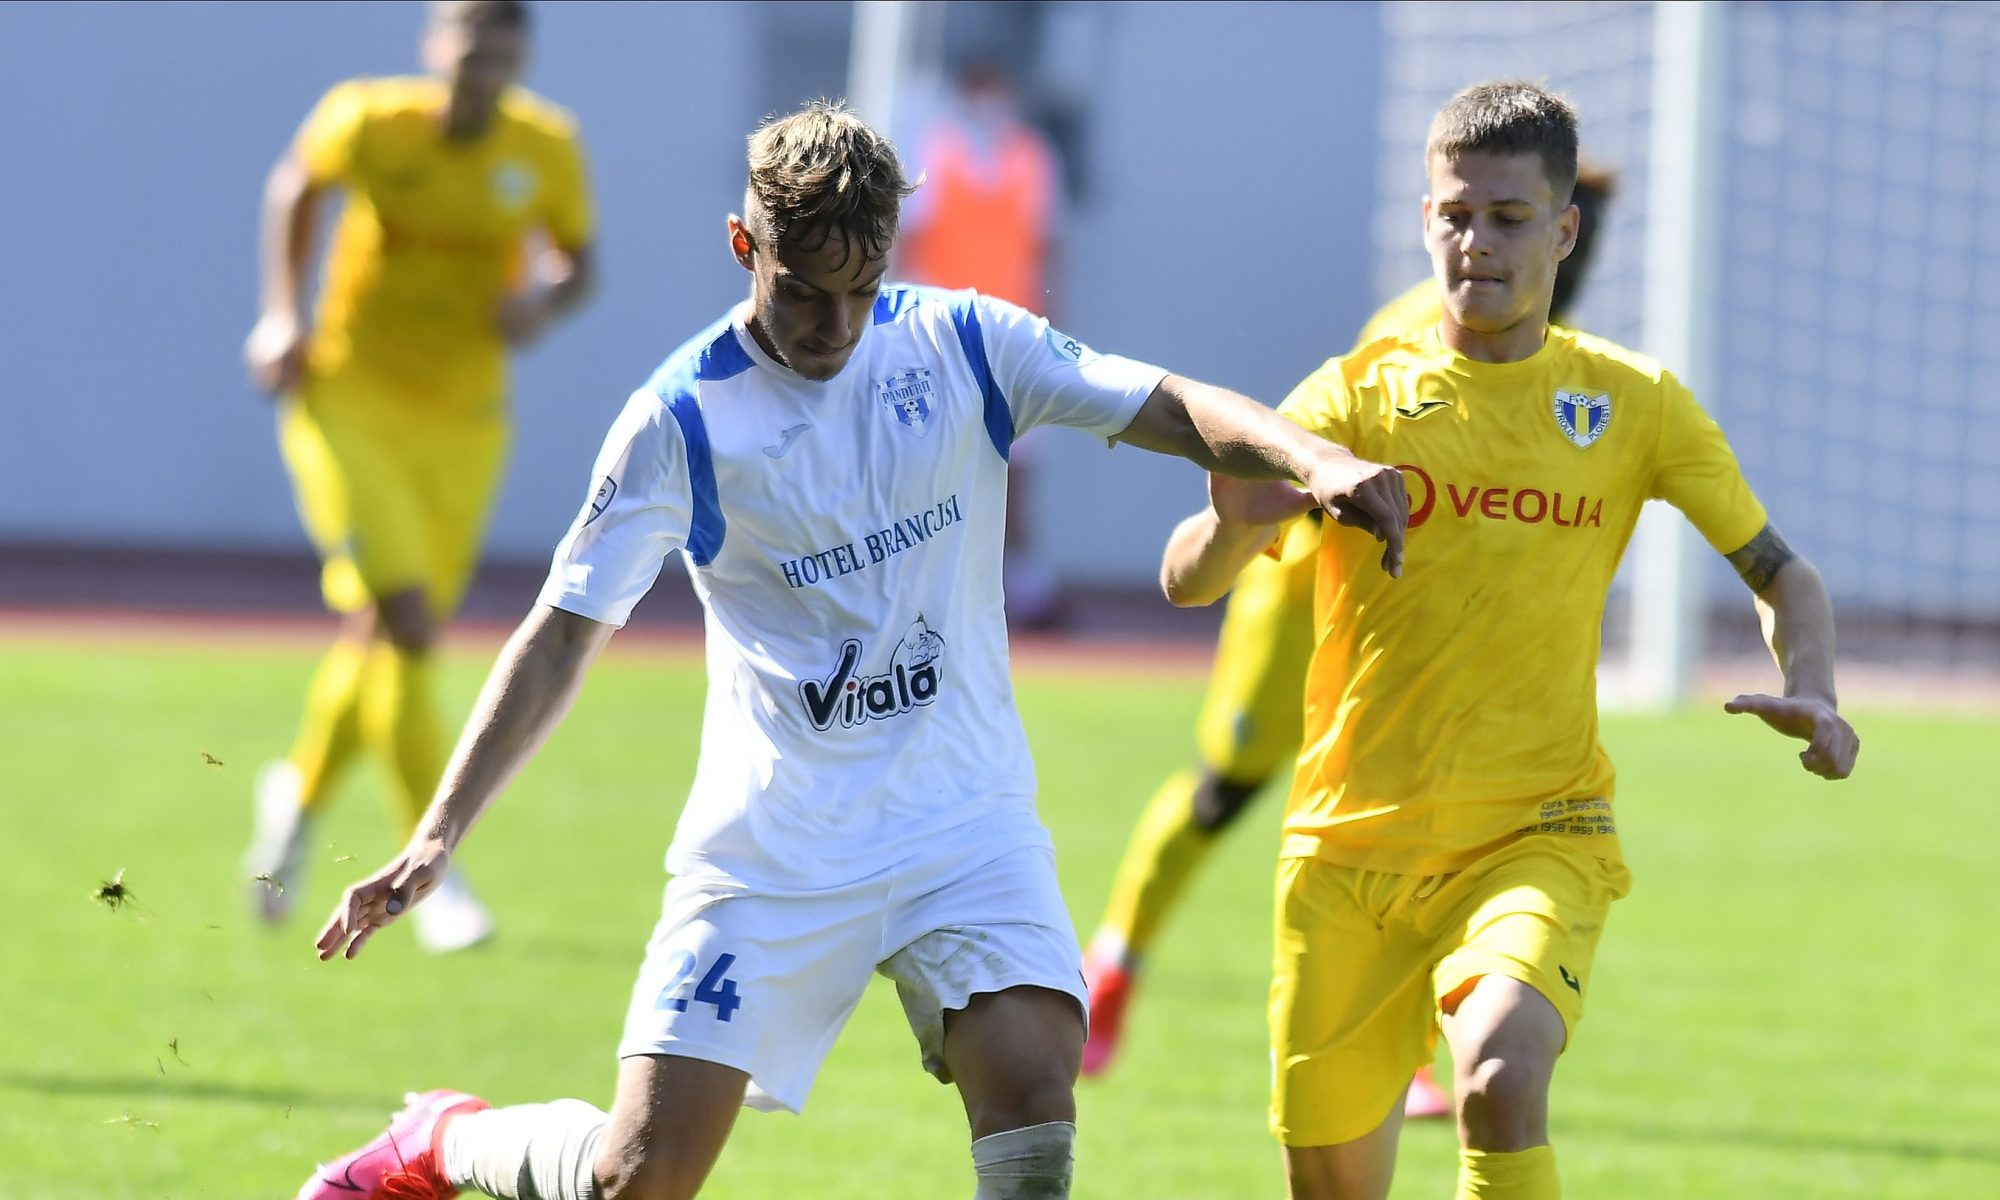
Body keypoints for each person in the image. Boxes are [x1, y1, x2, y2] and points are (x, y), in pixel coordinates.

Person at [291, 100, 1408, 1200]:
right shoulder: (677, 423)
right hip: (772, 851)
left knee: (1030, 1094)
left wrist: (1310, 458)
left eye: (861, 292)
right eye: (804, 292)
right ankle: (448, 1143)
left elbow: (1162, 401)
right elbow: (559, 633)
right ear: (745, 246)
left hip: (959, 823)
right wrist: (438, 834)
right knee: (637, 1177)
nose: (834, 327)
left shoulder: (964, 342)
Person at [1157, 82, 1857, 1200]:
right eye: (1451, 214)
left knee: (1496, 1075)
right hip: (1347, 852)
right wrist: (1232, 523)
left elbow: (1780, 572)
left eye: (1507, 217)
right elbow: (1185, 578)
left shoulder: (1632, 405)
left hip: (1535, 832)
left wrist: (1812, 689)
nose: (1472, 241)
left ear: (1563, 229)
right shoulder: (1348, 399)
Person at [1079, 170, 1619, 1117]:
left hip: (1417, 626)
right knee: (1224, 790)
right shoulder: (1419, 327)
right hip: (1307, 593)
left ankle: (1402, 1045)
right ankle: (1114, 966)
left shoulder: (1556, 351)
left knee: (1422, 812)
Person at [240, 0, 595, 953]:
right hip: (350, 399)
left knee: (387, 634)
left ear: (520, 59)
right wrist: (282, 313)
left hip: (465, 422)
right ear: (436, 47)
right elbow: (297, 188)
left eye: (503, 53)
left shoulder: (544, 148)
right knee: (406, 621)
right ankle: (432, 863)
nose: (484, 67)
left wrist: (541, 300)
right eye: (470, 47)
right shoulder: (369, 119)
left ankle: (299, 798)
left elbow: (577, 261)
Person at [898, 59, 1069, 629]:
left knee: (1015, 470)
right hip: (942, 338)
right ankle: (928, 585)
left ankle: (1020, 589)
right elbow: (909, 245)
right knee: (934, 461)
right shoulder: (933, 154)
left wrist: (1052, 332)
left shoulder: (1032, 158)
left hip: (1013, 339)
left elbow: (1048, 250)